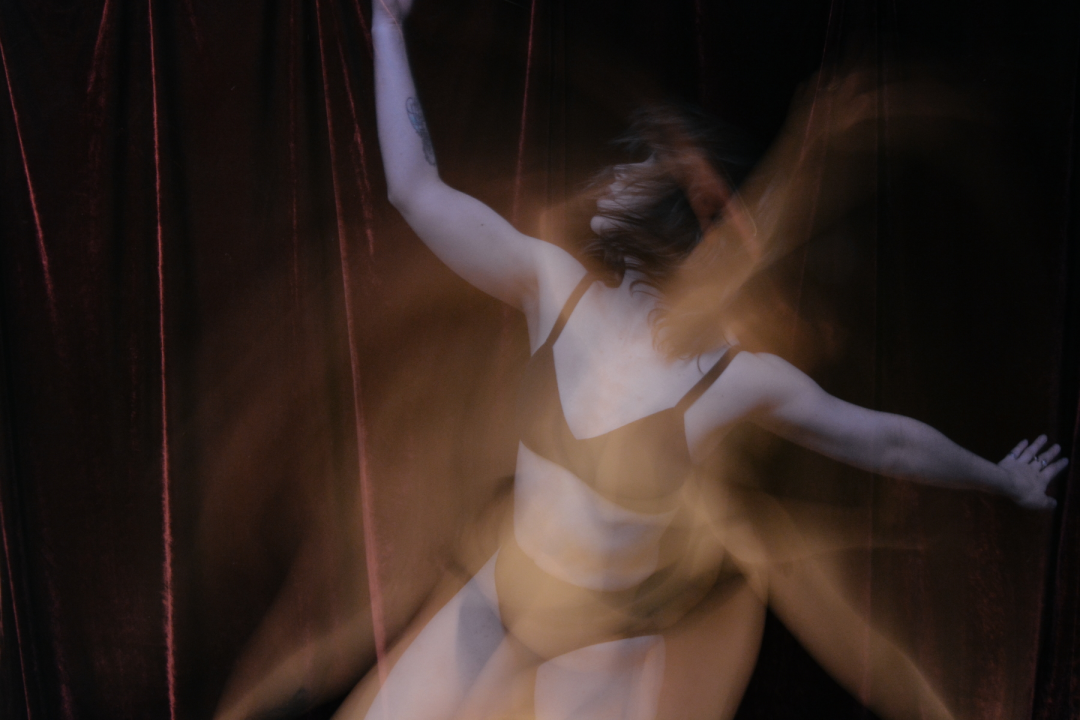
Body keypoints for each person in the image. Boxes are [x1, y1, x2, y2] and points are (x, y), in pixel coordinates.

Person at [323, 2, 1071, 719]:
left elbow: (886, 440)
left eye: (638, 168)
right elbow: (416, 191)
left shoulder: (733, 379)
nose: (613, 178)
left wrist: (997, 476)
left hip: (600, 647)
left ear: (673, 215)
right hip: (498, 600)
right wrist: (388, 26)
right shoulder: (555, 289)